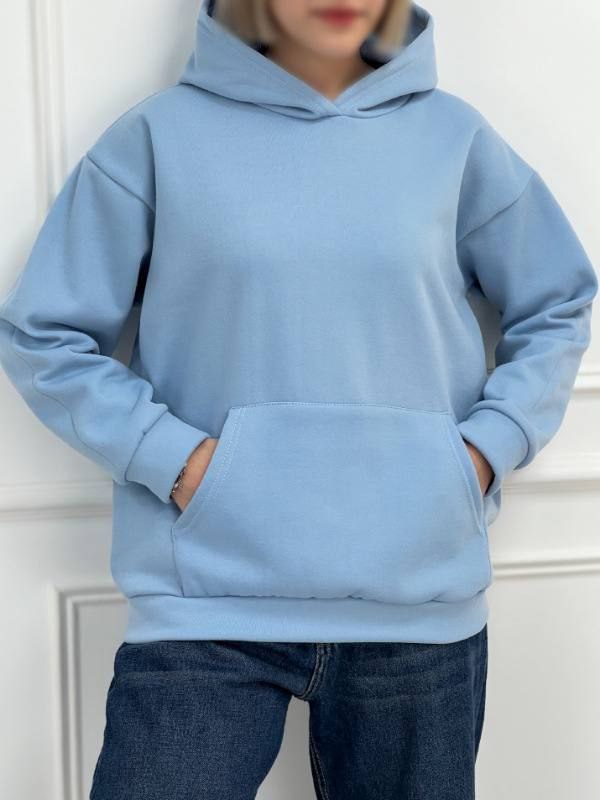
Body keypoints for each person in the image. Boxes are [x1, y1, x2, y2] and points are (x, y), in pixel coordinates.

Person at [0, 0, 596, 797]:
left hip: (417, 606)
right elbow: (44, 333)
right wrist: (177, 461)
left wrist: (483, 453)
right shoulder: (155, 139)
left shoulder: (457, 141)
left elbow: (558, 302)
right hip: (205, 607)